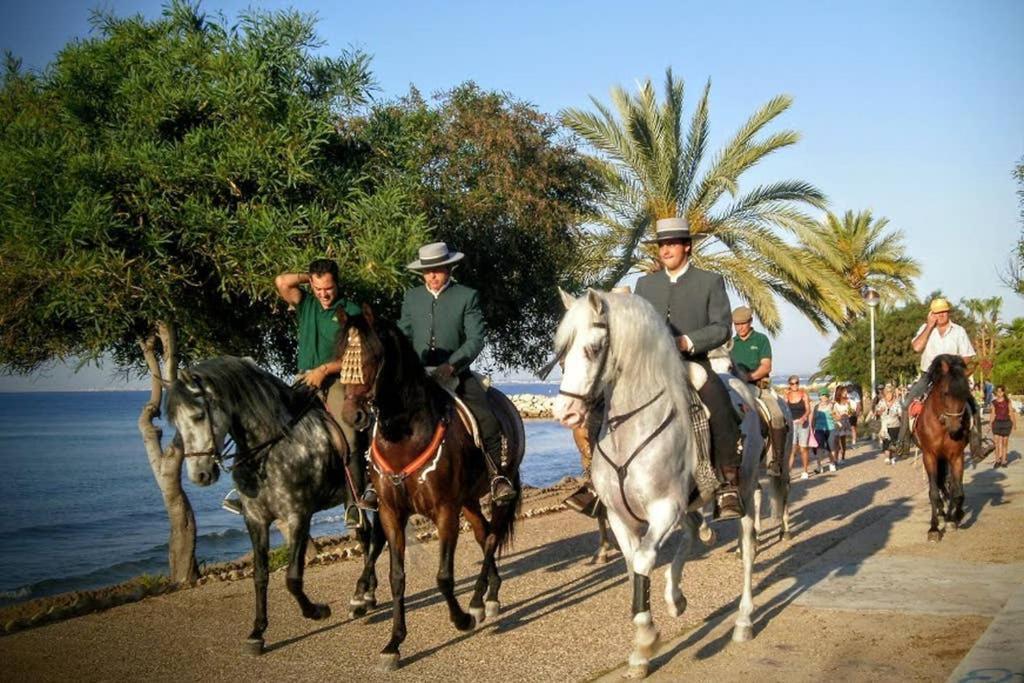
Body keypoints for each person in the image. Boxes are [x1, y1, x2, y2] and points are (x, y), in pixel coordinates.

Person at [222, 259, 366, 521]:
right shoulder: (307, 303)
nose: (324, 294)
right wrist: (308, 277)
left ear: (338, 284)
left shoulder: (351, 310)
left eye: (329, 288)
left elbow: (358, 354)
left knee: (350, 435)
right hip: (304, 380)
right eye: (319, 288)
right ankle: (246, 492)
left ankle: (354, 501)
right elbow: (281, 281)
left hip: (336, 382)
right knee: (265, 423)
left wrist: (324, 369)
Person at [635, 217, 743, 520]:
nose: (665, 249)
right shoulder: (645, 284)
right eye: (661, 245)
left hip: (691, 364)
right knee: (604, 400)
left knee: (720, 405)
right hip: (651, 368)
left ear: (687, 246)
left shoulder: (709, 281)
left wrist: (686, 342)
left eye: (671, 244)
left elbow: (722, 328)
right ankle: (595, 480)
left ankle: (729, 483)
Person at [398, 242, 516, 505]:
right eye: (427, 272)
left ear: (449, 268)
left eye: (437, 270)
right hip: (418, 377)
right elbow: (403, 334)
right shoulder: (412, 297)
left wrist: (452, 365)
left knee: (485, 417)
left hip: (456, 373)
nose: (432, 276)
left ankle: (497, 476)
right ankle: (382, 480)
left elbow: (475, 339)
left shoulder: (467, 296)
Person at [893, 298, 989, 459]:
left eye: (943, 311)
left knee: (973, 406)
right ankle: (902, 443)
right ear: (931, 314)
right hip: (929, 376)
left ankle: (976, 447)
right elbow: (917, 347)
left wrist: (952, 366)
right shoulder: (925, 328)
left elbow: (968, 356)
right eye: (937, 313)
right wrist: (929, 326)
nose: (941, 315)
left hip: (952, 376)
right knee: (907, 404)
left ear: (948, 312)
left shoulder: (959, 331)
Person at [730, 306, 788, 476]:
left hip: (758, 387)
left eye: (742, 324)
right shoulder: (731, 344)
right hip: (736, 388)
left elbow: (766, 366)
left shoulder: (761, 340)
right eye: (736, 324)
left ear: (750, 322)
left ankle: (777, 461)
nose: (739, 327)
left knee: (777, 416)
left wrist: (748, 377)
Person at [785, 376, 812, 479]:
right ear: (789, 385)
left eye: (796, 383)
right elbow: (785, 410)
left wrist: (804, 417)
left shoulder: (804, 394)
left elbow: (808, 410)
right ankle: (788, 472)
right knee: (792, 449)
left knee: (803, 448)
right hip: (792, 424)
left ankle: (805, 471)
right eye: (792, 383)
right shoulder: (787, 396)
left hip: (803, 424)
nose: (794, 385)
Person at [874, 383, 902, 464]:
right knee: (886, 441)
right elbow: (876, 412)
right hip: (884, 425)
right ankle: (887, 457)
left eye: (890, 393)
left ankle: (892, 456)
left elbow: (900, 413)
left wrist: (899, 414)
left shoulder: (897, 402)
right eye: (887, 393)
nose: (888, 395)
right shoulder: (881, 402)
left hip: (895, 424)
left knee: (893, 442)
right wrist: (880, 411)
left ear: (893, 393)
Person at [990, 385, 1017, 468]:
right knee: (997, 443)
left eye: (1001, 391)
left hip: (1006, 423)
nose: (999, 393)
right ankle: (997, 460)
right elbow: (992, 414)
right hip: (996, 423)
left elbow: (1011, 413)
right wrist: (990, 424)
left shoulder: (1008, 401)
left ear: (1003, 392)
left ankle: (1004, 460)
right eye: (997, 391)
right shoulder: (994, 402)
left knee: (1004, 443)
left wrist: (1014, 423)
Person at [811, 395, 838, 473]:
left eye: (826, 396)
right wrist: (812, 430)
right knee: (819, 447)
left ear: (828, 397)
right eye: (822, 396)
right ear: (819, 397)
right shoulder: (816, 407)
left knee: (831, 447)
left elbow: (836, 417)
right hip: (819, 429)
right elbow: (813, 419)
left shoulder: (832, 406)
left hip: (831, 428)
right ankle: (819, 466)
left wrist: (834, 415)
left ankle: (832, 463)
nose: (824, 398)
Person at [831, 386, 853, 461]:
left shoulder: (848, 402)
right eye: (844, 391)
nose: (846, 393)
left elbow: (851, 413)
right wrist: (837, 416)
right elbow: (833, 413)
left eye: (846, 391)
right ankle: (836, 458)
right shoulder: (835, 402)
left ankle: (842, 457)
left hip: (845, 422)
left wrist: (848, 412)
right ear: (839, 392)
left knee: (843, 440)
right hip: (837, 422)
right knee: (836, 440)